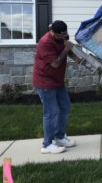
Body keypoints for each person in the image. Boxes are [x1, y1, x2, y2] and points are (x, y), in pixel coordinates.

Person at [32, 20, 83, 154]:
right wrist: (67, 49)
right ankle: (47, 144)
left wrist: (76, 58)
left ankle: (59, 137)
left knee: (65, 107)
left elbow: (65, 48)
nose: (63, 38)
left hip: (57, 81)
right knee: (51, 112)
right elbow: (55, 63)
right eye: (60, 36)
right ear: (52, 32)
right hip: (45, 82)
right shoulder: (45, 43)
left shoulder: (62, 35)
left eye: (65, 35)